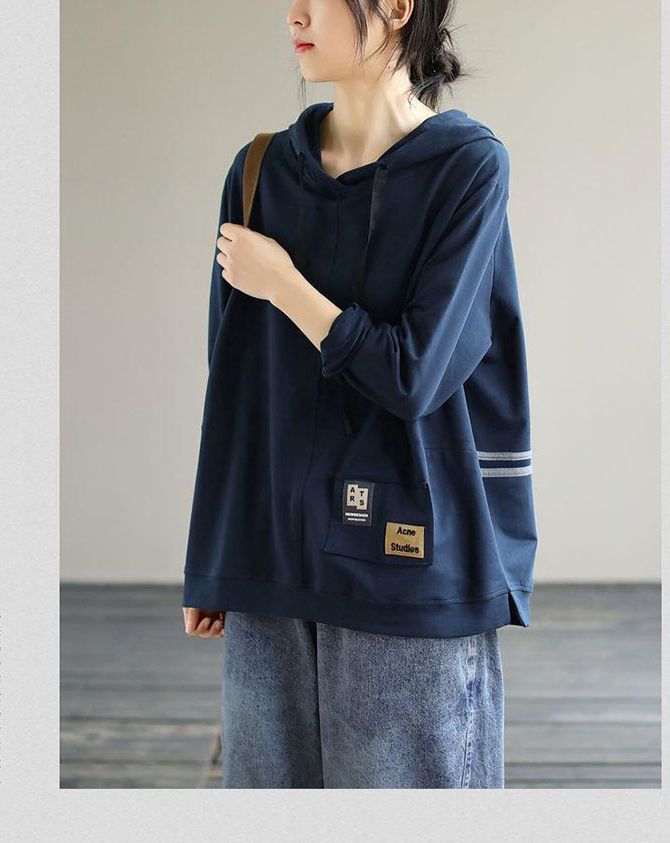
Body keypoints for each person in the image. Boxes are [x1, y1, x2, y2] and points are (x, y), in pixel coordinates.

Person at [182, 0, 537, 789]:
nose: (294, 14)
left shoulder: (466, 168)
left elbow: (414, 375)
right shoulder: (258, 171)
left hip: (408, 572)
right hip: (272, 563)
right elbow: (233, 388)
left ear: (398, 7)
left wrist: (284, 284)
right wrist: (213, 558)